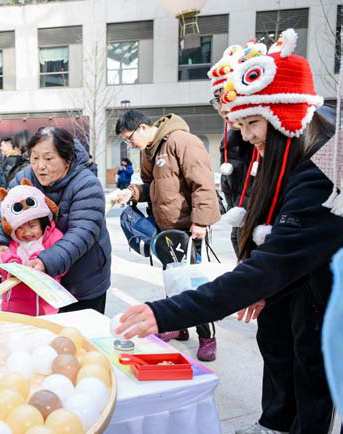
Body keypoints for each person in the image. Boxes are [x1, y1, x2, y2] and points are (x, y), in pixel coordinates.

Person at [114, 29, 343, 434]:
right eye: (239, 122)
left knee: (311, 366)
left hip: (320, 292)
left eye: (252, 122)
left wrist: (164, 312)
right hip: (296, 279)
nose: (247, 135)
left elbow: (273, 263)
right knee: (281, 351)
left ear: (286, 114)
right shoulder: (288, 152)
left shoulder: (319, 174)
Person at [114, 110, 221, 361]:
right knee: (173, 280)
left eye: (129, 138)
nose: (130, 144)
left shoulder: (181, 141)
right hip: (165, 229)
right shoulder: (149, 151)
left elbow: (203, 183)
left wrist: (200, 221)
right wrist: (132, 192)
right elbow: (153, 188)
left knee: (193, 285)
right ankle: (178, 325)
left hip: (188, 228)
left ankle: (207, 337)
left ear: (142, 127)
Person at [0, 127, 111, 313]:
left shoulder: (87, 184)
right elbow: (2, 208)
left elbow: (82, 233)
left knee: (78, 330)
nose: (40, 166)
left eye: (49, 159)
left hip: (82, 282)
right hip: (38, 287)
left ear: (67, 159)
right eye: (35, 158)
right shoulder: (26, 177)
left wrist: (46, 261)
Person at [208, 43, 259, 255]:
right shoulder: (230, 141)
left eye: (228, 96)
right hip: (244, 237)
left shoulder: (281, 140)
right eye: (217, 100)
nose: (223, 108)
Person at [0, 179, 65, 316]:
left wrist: (42, 261)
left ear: (42, 222)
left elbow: (61, 263)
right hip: (14, 306)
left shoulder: (53, 237)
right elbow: (3, 259)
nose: (27, 233)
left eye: (32, 226)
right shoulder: (13, 242)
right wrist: (11, 265)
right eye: (20, 228)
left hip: (46, 306)